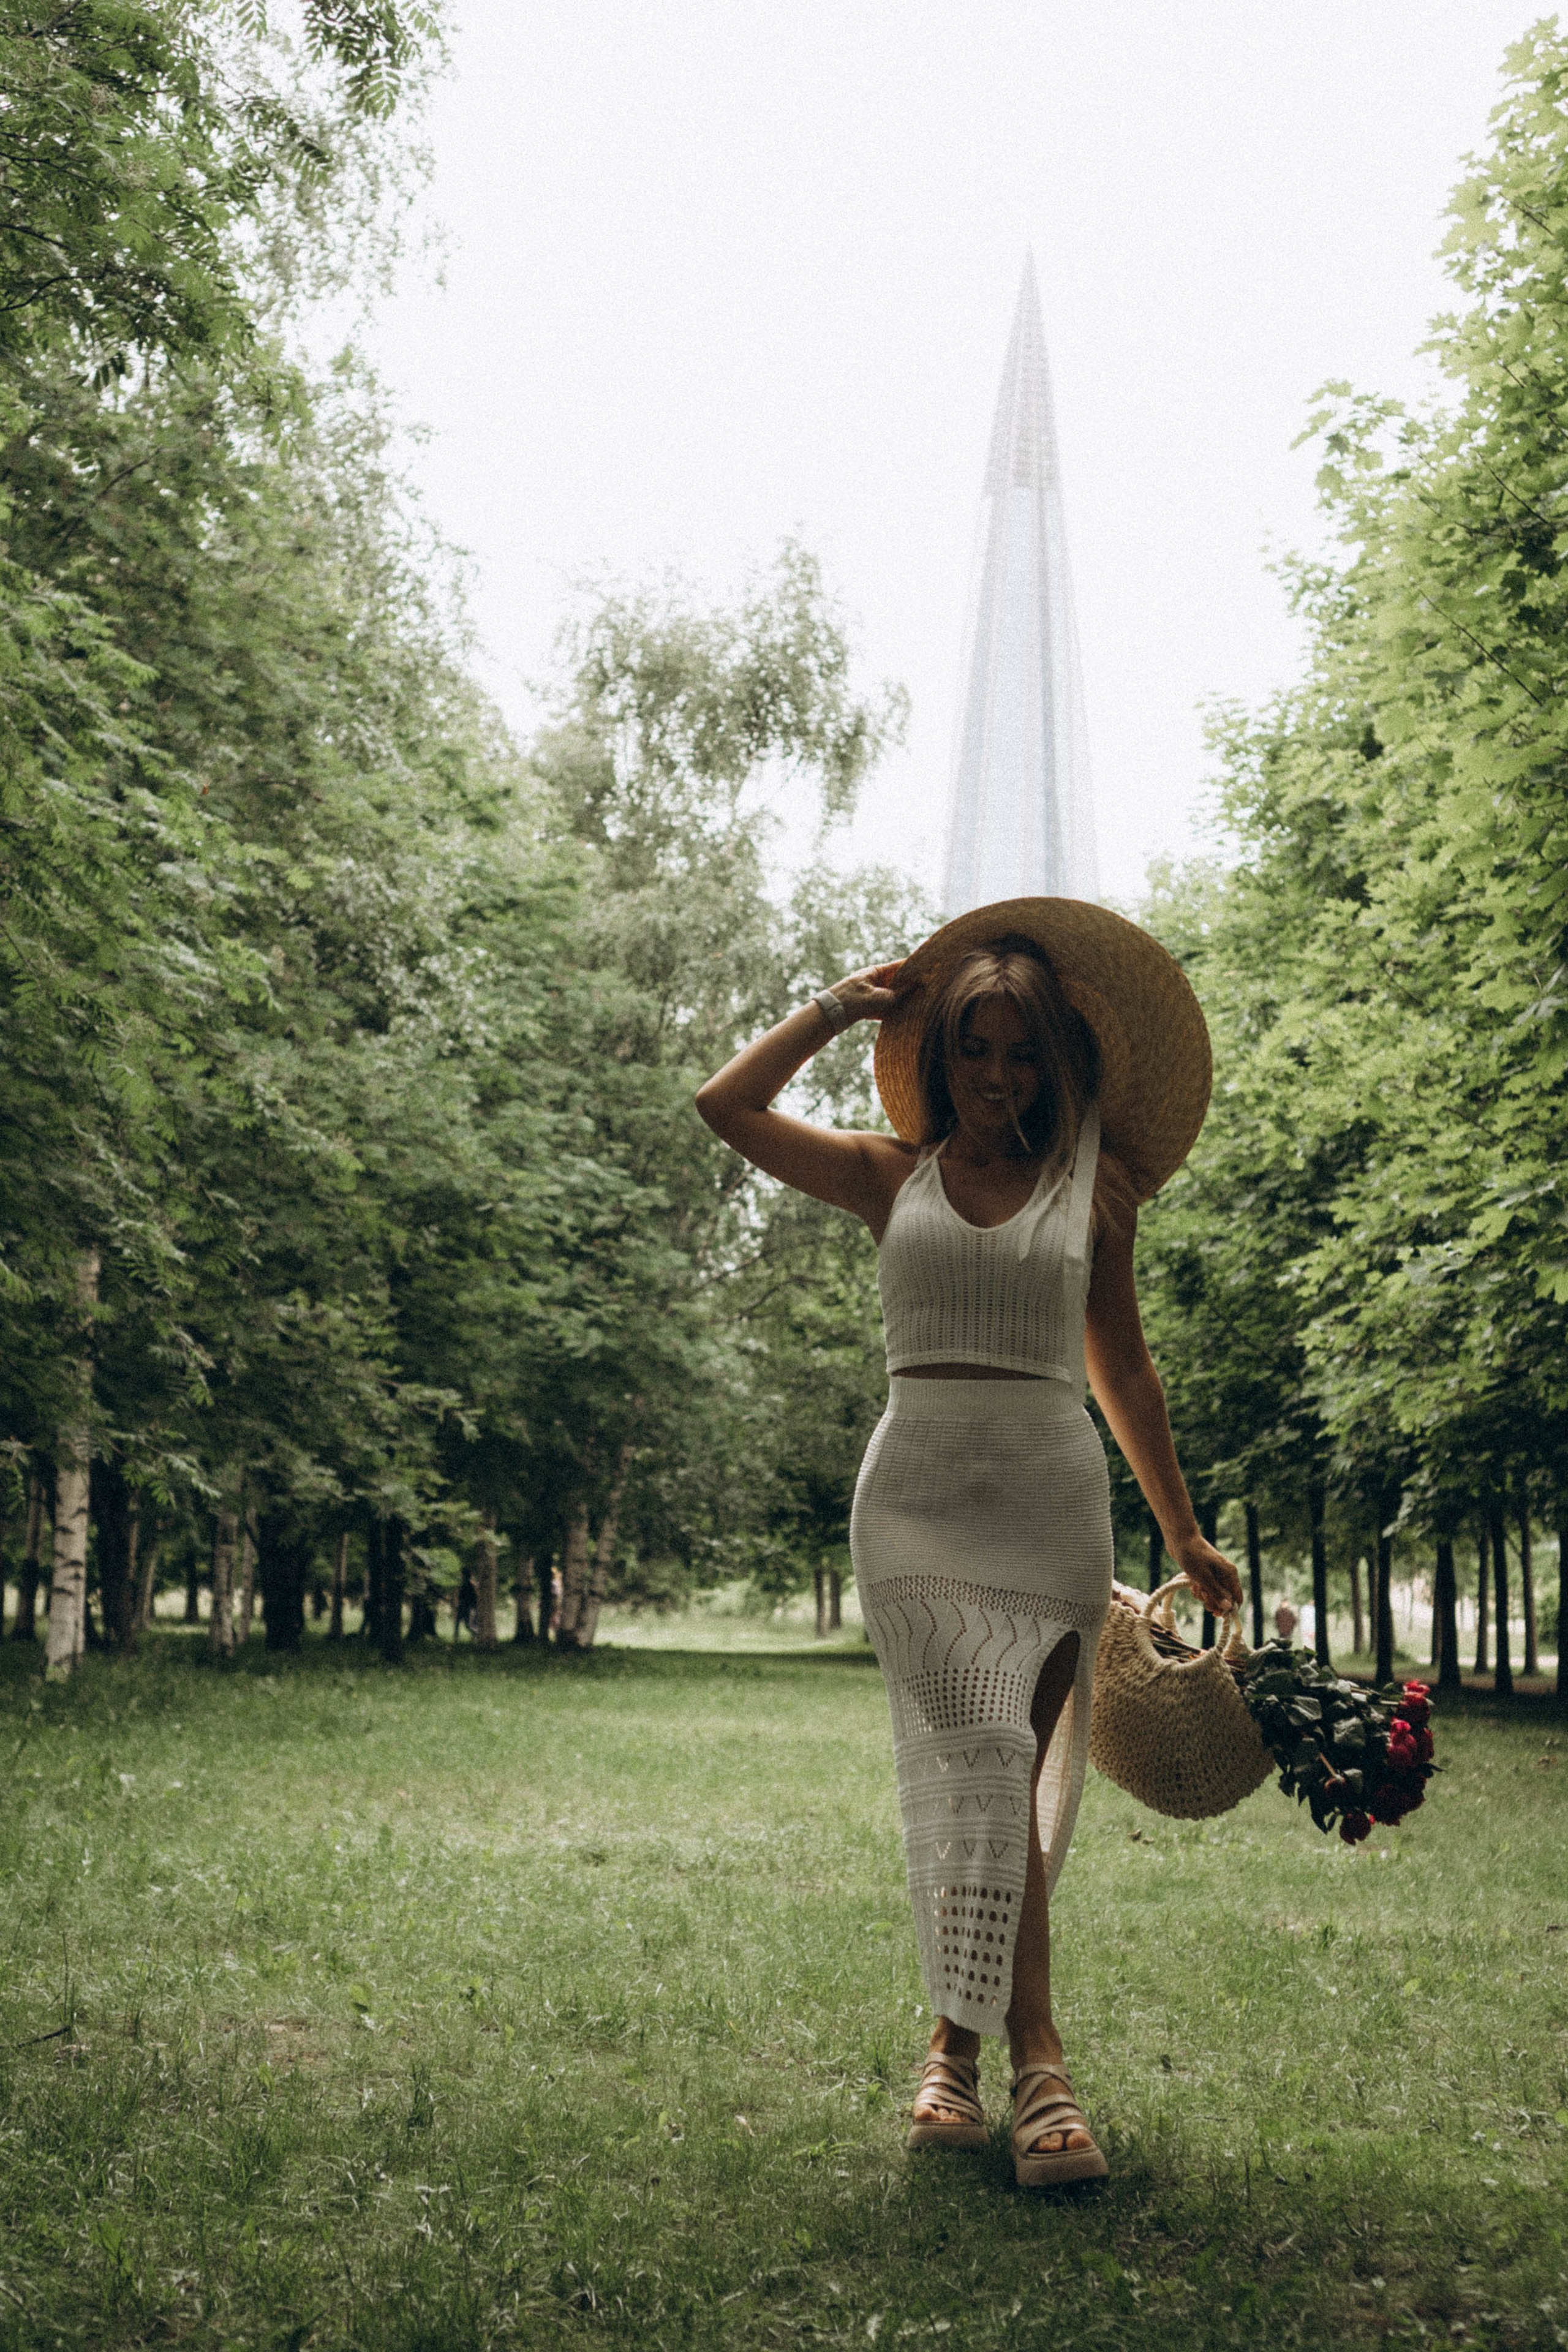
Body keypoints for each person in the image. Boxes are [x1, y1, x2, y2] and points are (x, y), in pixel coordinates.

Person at [696, 900, 1242, 2188]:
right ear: (941, 1058)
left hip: (1049, 1503)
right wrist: (841, 1006)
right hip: (914, 1508)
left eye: (1023, 1052)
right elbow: (725, 1106)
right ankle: (1039, 2063)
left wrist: (1180, 1526)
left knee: (1008, 1774)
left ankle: (951, 2050)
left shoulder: (1094, 1190)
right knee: (984, 1765)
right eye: (974, 1049)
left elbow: (1124, 1370)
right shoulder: (886, 1175)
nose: (998, 1076)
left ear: (1059, 1061)